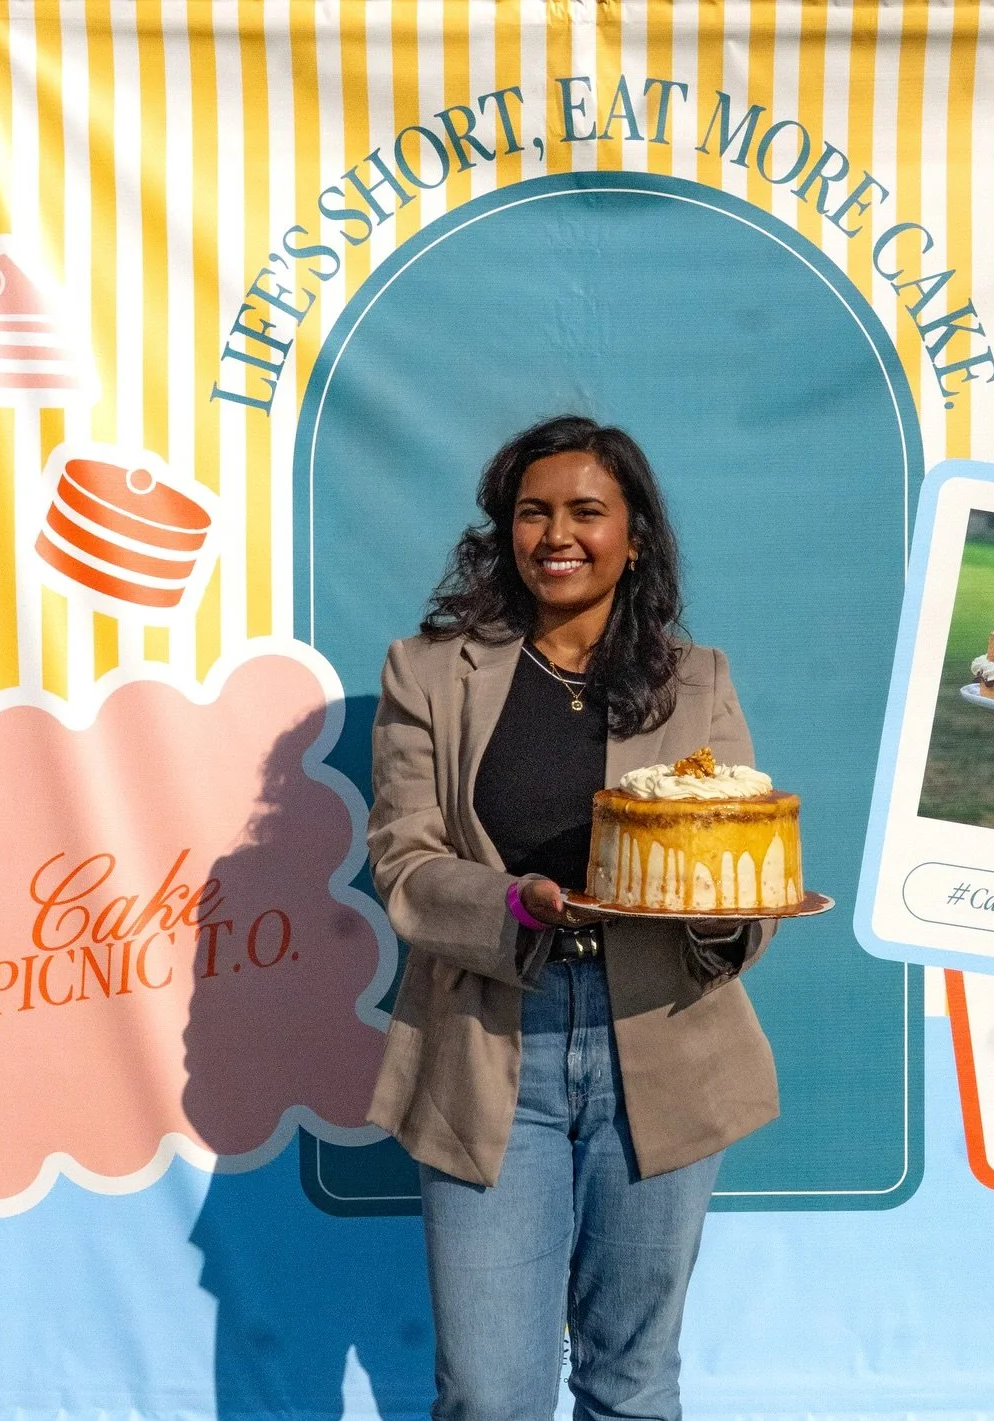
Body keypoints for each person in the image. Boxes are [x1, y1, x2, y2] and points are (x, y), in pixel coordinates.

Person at [365, 414, 780, 1421]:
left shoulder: (698, 681)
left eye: (587, 511)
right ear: (504, 531)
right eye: (532, 511)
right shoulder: (428, 672)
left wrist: (728, 920)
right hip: (492, 1043)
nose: (557, 532)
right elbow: (406, 860)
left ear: (633, 537)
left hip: (663, 1043)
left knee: (631, 1383)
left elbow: (743, 856)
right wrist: (513, 903)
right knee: (490, 1393)